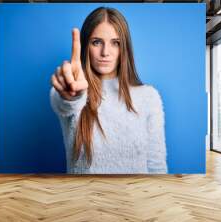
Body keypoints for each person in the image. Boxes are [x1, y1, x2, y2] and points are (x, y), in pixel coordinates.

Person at [49, 7, 167, 174]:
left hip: (134, 197)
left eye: (115, 43)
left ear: (124, 48)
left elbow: (156, 165)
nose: (105, 52)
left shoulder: (149, 97)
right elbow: (64, 103)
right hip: (83, 198)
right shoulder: (72, 92)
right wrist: (71, 96)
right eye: (96, 42)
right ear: (85, 46)